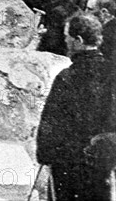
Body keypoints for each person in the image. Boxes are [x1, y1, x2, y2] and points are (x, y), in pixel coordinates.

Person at [37, 13, 115, 200]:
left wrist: (45, 154)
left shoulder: (67, 77)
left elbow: (51, 121)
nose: (66, 43)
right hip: (102, 159)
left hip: (69, 162)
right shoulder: (112, 72)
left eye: (67, 38)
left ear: (78, 40)